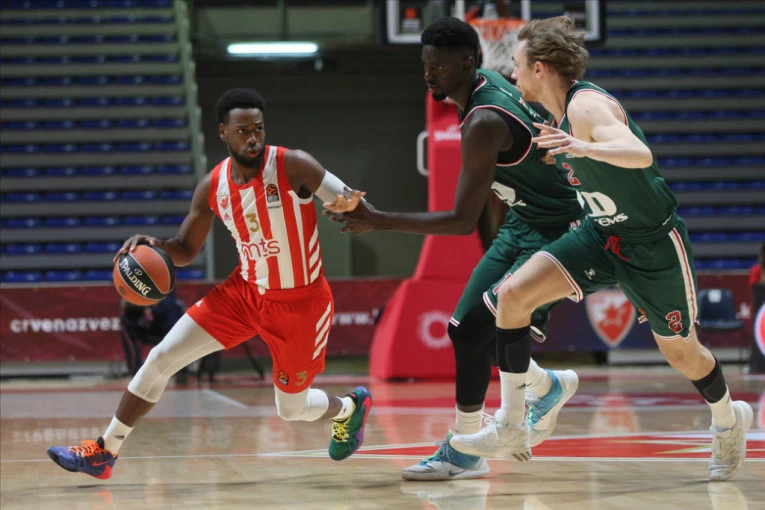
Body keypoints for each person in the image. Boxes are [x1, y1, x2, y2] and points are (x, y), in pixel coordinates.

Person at [449, 16, 753, 481]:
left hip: (650, 243)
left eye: (518, 64)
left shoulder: (586, 107)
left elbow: (639, 153)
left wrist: (583, 148)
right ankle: (511, 425)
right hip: (598, 235)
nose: (512, 73)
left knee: (682, 353)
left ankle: (728, 421)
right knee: (511, 296)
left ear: (541, 69)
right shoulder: (550, 116)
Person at [47, 88, 373, 479]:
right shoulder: (213, 186)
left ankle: (349, 408)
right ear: (223, 132)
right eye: (242, 131)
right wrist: (155, 245)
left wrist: (350, 203)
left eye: (258, 129)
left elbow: (352, 200)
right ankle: (104, 452)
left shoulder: (294, 165)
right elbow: (185, 249)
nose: (252, 138)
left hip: (300, 304)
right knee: (160, 358)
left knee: (291, 409)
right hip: (243, 294)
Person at [325, 17, 582, 480]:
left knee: (485, 331)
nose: (429, 75)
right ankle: (532, 398)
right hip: (524, 221)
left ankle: (472, 444)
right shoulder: (489, 85)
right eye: (425, 65)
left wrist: (377, 220)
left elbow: (462, 222)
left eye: (439, 67)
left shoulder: (482, 121)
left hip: (556, 231)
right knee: (465, 332)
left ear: (468, 62)